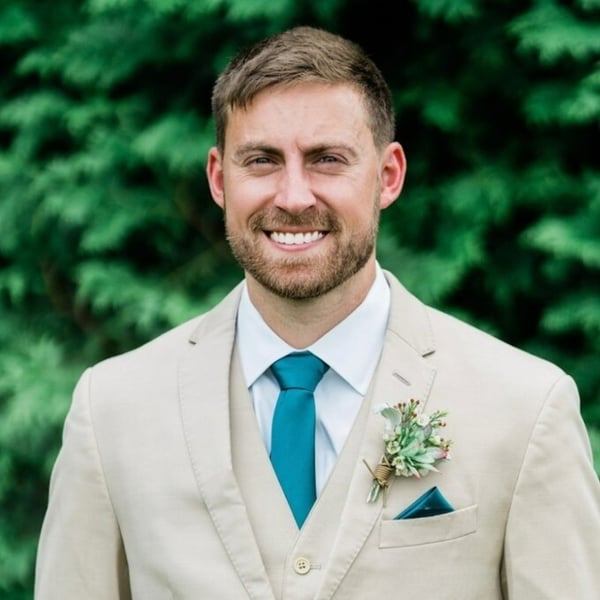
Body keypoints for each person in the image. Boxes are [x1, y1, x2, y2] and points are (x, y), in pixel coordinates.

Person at [35, 25, 600, 599]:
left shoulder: (527, 409)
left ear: (388, 176)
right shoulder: (110, 411)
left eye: (327, 159)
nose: (294, 197)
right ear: (219, 179)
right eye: (262, 160)